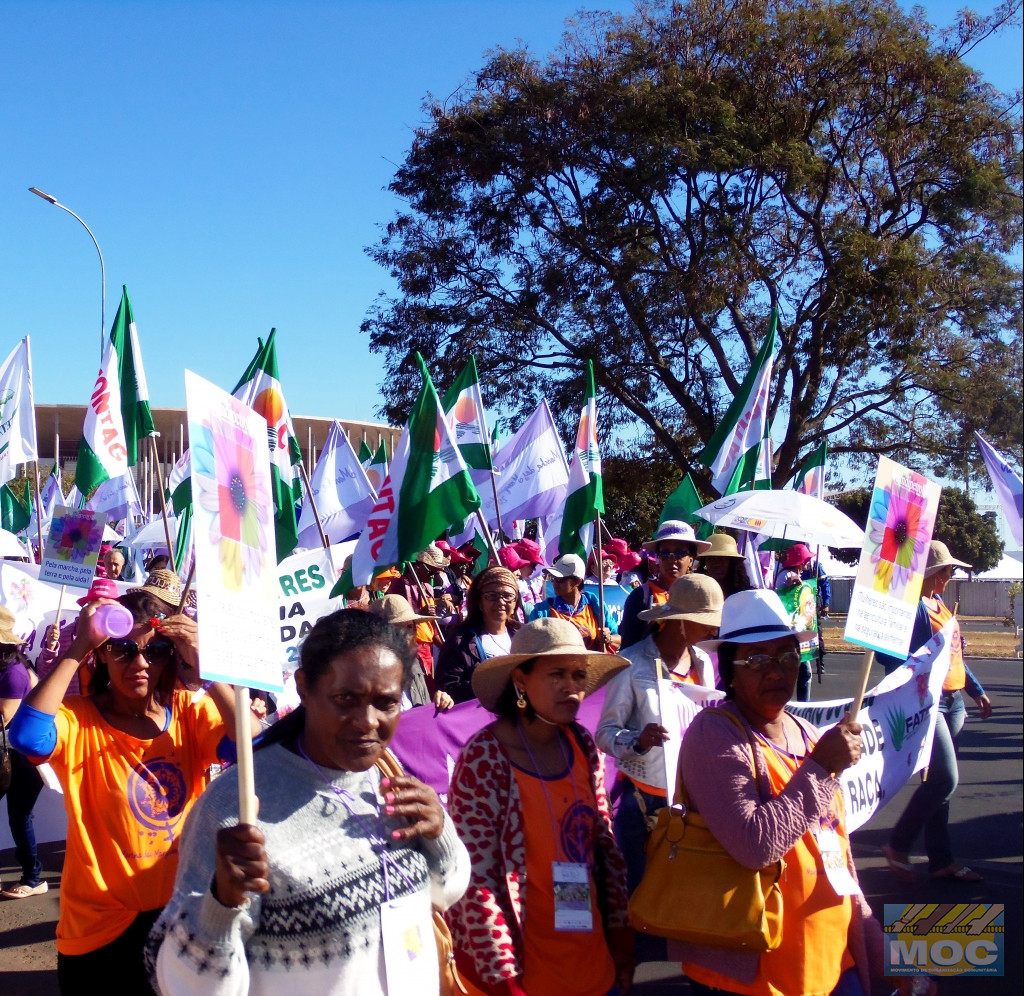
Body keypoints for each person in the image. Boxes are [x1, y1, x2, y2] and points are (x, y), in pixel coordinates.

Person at [148, 609, 470, 996]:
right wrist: (222, 903)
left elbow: (444, 893)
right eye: (345, 699)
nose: (367, 721)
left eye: (386, 702)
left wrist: (440, 832)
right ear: (303, 687)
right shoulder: (236, 808)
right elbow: (183, 986)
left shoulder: (388, 773)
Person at [9, 578, 253, 994]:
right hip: (99, 927)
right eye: (123, 649)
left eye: (155, 650)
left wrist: (207, 670)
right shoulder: (79, 717)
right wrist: (78, 646)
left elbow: (250, 746)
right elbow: (27, 737)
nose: (140, 663)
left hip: (182, 916)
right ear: (103, 655)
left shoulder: (189, 713)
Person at [679, 589, 881, 996]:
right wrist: (822, 766)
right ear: (729, 671)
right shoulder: (714, 734)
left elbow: (838, 855)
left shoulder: (806, 733)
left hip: (836, 964)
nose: (776, 671)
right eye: (757, 659)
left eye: (788, 657)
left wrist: (883, 952)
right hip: (758, 977)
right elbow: (755, 844)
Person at [447, 618, 633, 996]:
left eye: (579, 675)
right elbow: (475, 880)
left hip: (594, 966)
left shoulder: (581, 743)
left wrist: (622, 940)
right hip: (523, 975)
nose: (572, 687)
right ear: (520, 681)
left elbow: (605, 848)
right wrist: (504, 982)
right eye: (557, 674)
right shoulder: (484, 759)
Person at [596, 574, 723, 941]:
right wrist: (639, 740)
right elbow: (605, 733)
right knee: (638, 892)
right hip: (643, 798)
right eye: (707, 620)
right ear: (681, 622)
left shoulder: (705, 663)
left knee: (687, 892)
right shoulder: (631, 664)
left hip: (694, 795)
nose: (715, 627)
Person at [878, 541, 992, 883]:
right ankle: (898, 844)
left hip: (954, 702)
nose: (950, 575)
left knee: (939, 785)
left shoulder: (940, 604)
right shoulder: (910, 608)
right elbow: (890, 658)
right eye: (947, 570)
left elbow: (953, 655)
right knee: (945, 778)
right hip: (929, 702)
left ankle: (941, 861)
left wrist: (975, 690)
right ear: (931, 572)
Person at [0, 610, 46, 899]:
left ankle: (33, 878)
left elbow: (3, 718)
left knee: (19, 816)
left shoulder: (14, 672)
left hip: (23, 757)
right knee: (19, 816)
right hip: (11, 753)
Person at [435, 566, 522, 704]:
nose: (500, 602)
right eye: (492, 596)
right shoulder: (460, 642)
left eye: (507, 596)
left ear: (516, 600)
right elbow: (448, 691)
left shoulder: (524, 636)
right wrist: (490, 683)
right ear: (479, 601)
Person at [618, 521, 711, 649]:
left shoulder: (701, 595)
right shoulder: (641, 596)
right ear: (658, 558)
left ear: (691, 559)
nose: (672, 559)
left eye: (679, 553)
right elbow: (628, 649)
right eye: (665, 554)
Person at [368, 595, 455, 712]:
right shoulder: (366, 677)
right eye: (397, 628)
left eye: (410, 626)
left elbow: (424, 710)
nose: (406, 634)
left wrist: (440, 703)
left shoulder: (414, 664)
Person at [529, 553, 620, 651]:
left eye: (560, 579)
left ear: (577, 581)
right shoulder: (541, 611)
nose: (555, 583)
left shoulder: (597, 606)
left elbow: (619, 639)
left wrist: (609, 638)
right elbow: (530, 644)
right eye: (553, 578)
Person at [696, 533, 752, 598]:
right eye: (710, 559)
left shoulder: (747, 596)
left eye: (722, 558)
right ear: (704, 563)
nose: (716, 564)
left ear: (733, 563)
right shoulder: (696, 593)